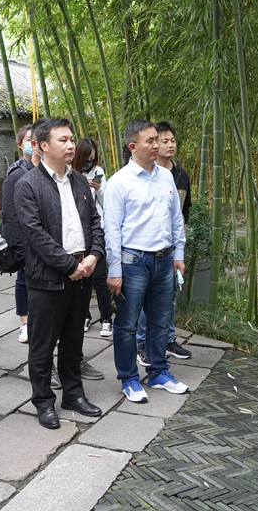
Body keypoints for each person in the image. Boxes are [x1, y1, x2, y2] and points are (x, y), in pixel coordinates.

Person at [15, 118, 105, 429]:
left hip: (83, 270)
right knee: (42, 344)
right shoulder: (28, 184)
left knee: (73, 340)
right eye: (63, 140)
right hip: (48, 278)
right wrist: (70, 266)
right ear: (43, 145)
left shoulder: (80, 181)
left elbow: (95, 222)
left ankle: (73, 394)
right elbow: (34, 234)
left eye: (71, 139)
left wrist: (94, 255)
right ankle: (43, 401)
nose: (71, 145)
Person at [103, 118, 189, 403]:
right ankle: (129, 378)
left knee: (160, 321)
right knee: (127, 324)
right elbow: (111, 230)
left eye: (157, 139)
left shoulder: (166, 176)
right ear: (133, 146)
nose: (157, 145)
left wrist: (178, 254)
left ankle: (158, 373)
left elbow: (176, 218)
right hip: (133, 262)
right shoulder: (119, 182)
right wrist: (114, 270)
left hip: (164, 261)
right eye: (150, 141)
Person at [136, 121, 192, 365]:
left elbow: (183, 214)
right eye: (163, 141)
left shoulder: (180, 175)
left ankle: (167, 340)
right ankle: (141, 344)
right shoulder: (141, 173)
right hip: (144, 248)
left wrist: (180, 248)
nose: (170, 145)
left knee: (168, 297)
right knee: (143, 299)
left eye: (172, 141)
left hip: (170, 246)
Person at [72, 137, 113, 337]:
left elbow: (107, 202)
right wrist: (82, 185)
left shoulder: (99, 172)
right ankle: (84, 316)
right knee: (82, 278)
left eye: (92, 159)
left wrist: (99, 188)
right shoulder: (70, 173)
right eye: (86, 159)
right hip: (78, 231)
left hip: (97, 229)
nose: (89, 163)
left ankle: (106, 318)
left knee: (99, 276)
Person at [2, 124, 35, 343]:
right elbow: (10, 213)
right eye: (28, 139)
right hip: (23, 237)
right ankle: (24, 323)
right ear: (20, 144)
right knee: (23, 279)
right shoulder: (16, 172)